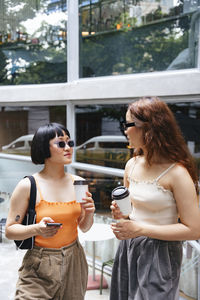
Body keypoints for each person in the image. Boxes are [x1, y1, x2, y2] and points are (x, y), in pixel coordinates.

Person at [110, 97, 200, 300]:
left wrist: (141, 229)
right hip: (129, 247)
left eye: (128, 124)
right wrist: (122, 216)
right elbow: (131, 212)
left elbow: (194, 229)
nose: (124, 130)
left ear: (148, 128)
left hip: (160, 254)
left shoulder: (177, 173)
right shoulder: (131, 164)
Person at [5, 122, 95, 300]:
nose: (68, 147)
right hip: (39, 263)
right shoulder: (27, 185)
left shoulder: (79, 182)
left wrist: (89, 212)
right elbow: (10, 230)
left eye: (70, 142)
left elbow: (84, 227)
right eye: (61, 143)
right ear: (43, 148)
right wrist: (37, 229)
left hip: (74, 259)